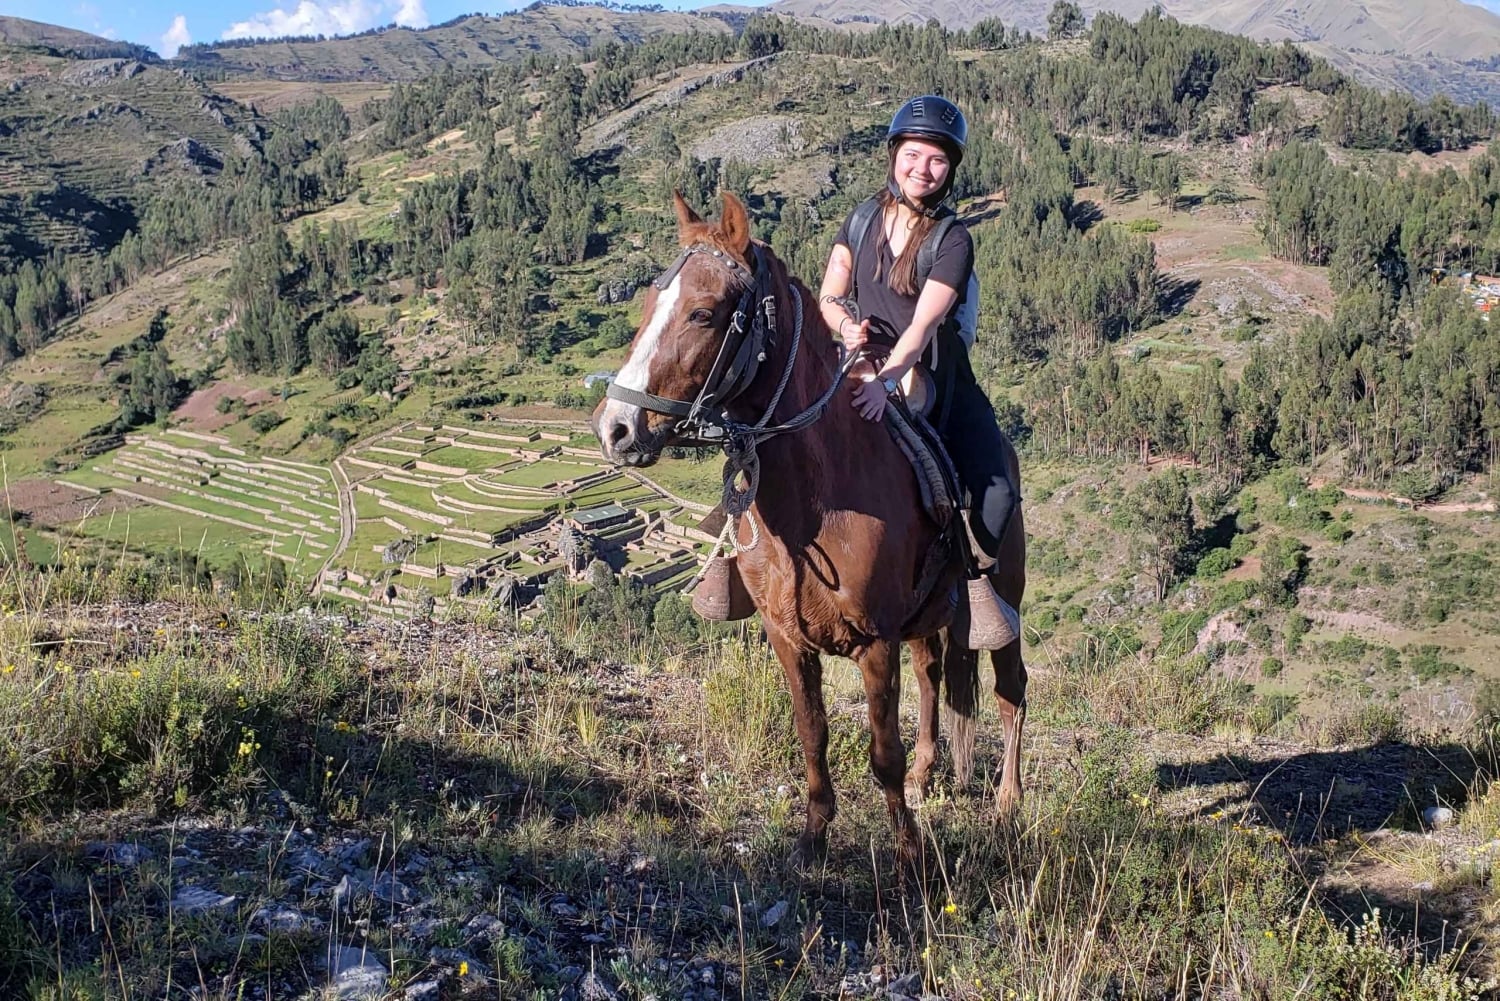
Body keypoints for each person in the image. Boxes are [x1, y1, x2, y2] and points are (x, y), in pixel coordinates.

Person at [817, 94, 1021, 649]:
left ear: (950, 169)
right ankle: (740, 548)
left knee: (998, 492)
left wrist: (886, 383)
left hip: (931, 371)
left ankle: (972, 583)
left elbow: (923, 327)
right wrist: (845, 326)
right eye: (913, 155)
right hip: (857, 360)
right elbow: (830, 295)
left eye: (937, 160)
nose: (922, 169)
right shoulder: (861, 218)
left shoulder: (952, 239)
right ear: (894, 154)